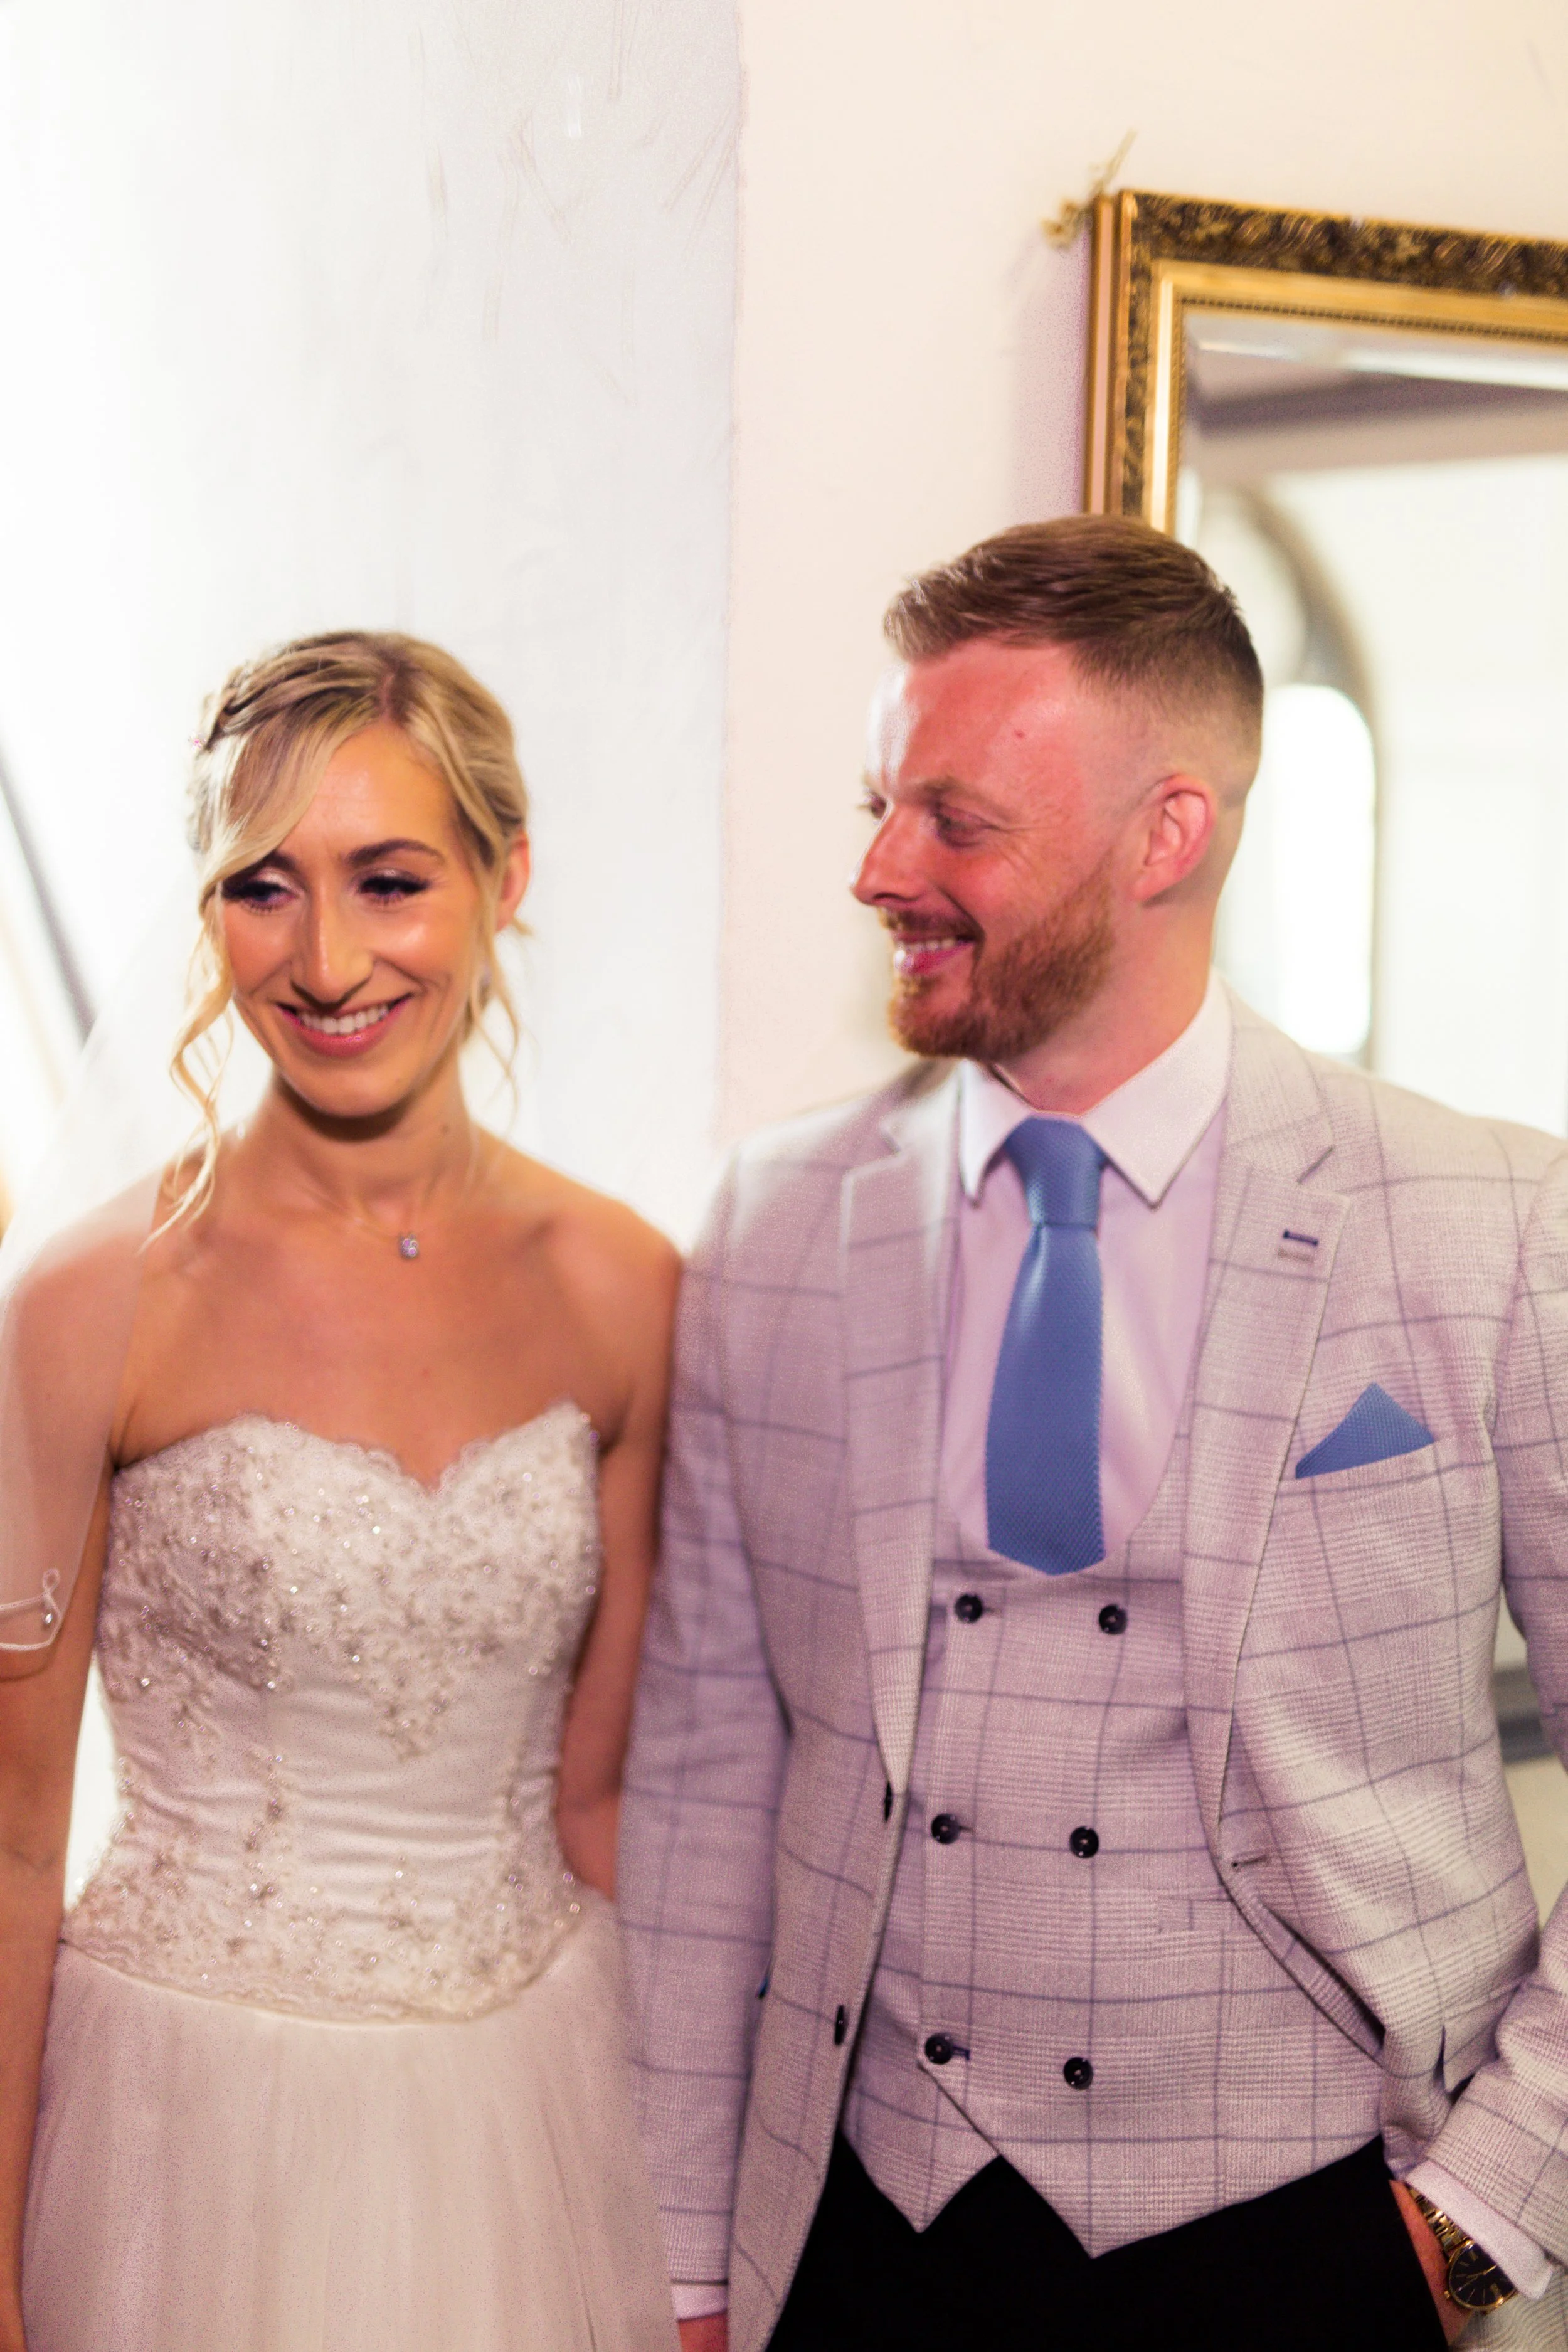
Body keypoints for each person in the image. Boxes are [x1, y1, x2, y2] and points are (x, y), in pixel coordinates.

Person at [619, 516, 1568, 2351]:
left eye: (955, 820)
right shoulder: (776, 1222)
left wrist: (1478, 2220)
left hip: (1316, 2235)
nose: (880, 870)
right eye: (880, 806)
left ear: (1166, 834)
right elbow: (709, 1766)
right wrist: (686, 2264)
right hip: (862, 2236)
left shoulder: (1491, 1223)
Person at [0, 633, 681, 2351]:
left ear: (503, 880)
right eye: (264, 887)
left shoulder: (621, 1284)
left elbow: (603, 1805)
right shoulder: (88, 1303)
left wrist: (685, 2235)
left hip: (533, 2121)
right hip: (185, 2139)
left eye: (390, 879)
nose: (326, 958)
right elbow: (8, 1838)